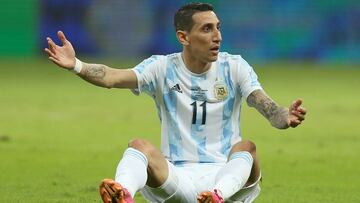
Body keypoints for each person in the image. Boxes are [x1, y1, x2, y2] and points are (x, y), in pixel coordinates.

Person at [45, 2, 306, 203]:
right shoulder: (161, 68)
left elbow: (268, 108)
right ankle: (123, 192)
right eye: (207, 29)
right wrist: (76, 65)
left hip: (226, 177)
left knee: (246, 147)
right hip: (176, 177)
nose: (217, 36)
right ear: (184, 37)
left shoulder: (235, 67)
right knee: (139, 146)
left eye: (218, 27)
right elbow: (112, 77)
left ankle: (215, 196)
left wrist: (286, 116)